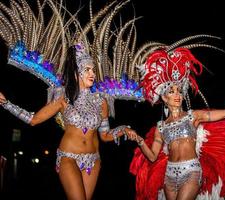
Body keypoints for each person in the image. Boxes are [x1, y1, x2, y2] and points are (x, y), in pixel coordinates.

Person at [128, 47, 225, 200]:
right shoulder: (160, 127)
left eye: (179, 91)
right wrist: (140, 141)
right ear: (164, 98)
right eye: (172, 91)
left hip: (191, 172)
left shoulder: (193, 116)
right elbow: (153, 157)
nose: (177, 94)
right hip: (169, 175)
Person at [0, 43, 131, 200]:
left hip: (94, 160)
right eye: (87, 69)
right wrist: (6, 104)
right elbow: (33, 120)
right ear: (76, 73)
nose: (92, 74)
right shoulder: (63, 98)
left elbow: (105, 135)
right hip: (68, 158)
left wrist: (124, 129)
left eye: (93, 70)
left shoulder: (101, 101)